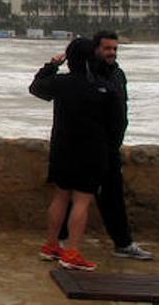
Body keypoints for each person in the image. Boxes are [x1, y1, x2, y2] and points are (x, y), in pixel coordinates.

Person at [56, 30, 155, 261]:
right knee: (76, 195)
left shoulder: (117, 74)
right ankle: (61, 241)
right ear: (96, 50)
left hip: (111, 146)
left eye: (114, 48)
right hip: (89, 147)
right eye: (107, 48)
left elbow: (120, 110)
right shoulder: (87, 77)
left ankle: (123, 243)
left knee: (113, 197)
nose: (111, 53)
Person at [31, 37, 117, 271]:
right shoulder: (104, 88)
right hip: (91, 150)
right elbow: (114, 122)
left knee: (60, 196)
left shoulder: (61, 83)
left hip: (62, 147)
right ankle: (72, 252)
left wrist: (52, 64)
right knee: (81, 200)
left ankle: (51, 245)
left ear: (70, 58)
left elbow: (36, 87)